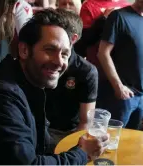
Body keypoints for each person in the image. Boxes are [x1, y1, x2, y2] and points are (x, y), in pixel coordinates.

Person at [0, 9, 108, 165]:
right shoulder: (2, 96)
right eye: (50, 50)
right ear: (24, 50)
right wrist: (82, 153)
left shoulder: (26, 82)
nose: (59, 62)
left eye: (64, 54)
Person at [97, 0, 143, 129]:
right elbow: (103, 53)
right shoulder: (118, 16)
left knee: (132, 140)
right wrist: (118, 87)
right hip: (121, 96)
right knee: (110, 140)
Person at [46, 9, 98, 146]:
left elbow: (85, 122)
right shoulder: (40, 60)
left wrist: (71, 148)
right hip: (37, 127)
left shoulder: (86, 72)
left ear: (73, 39)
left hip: (67, 134)